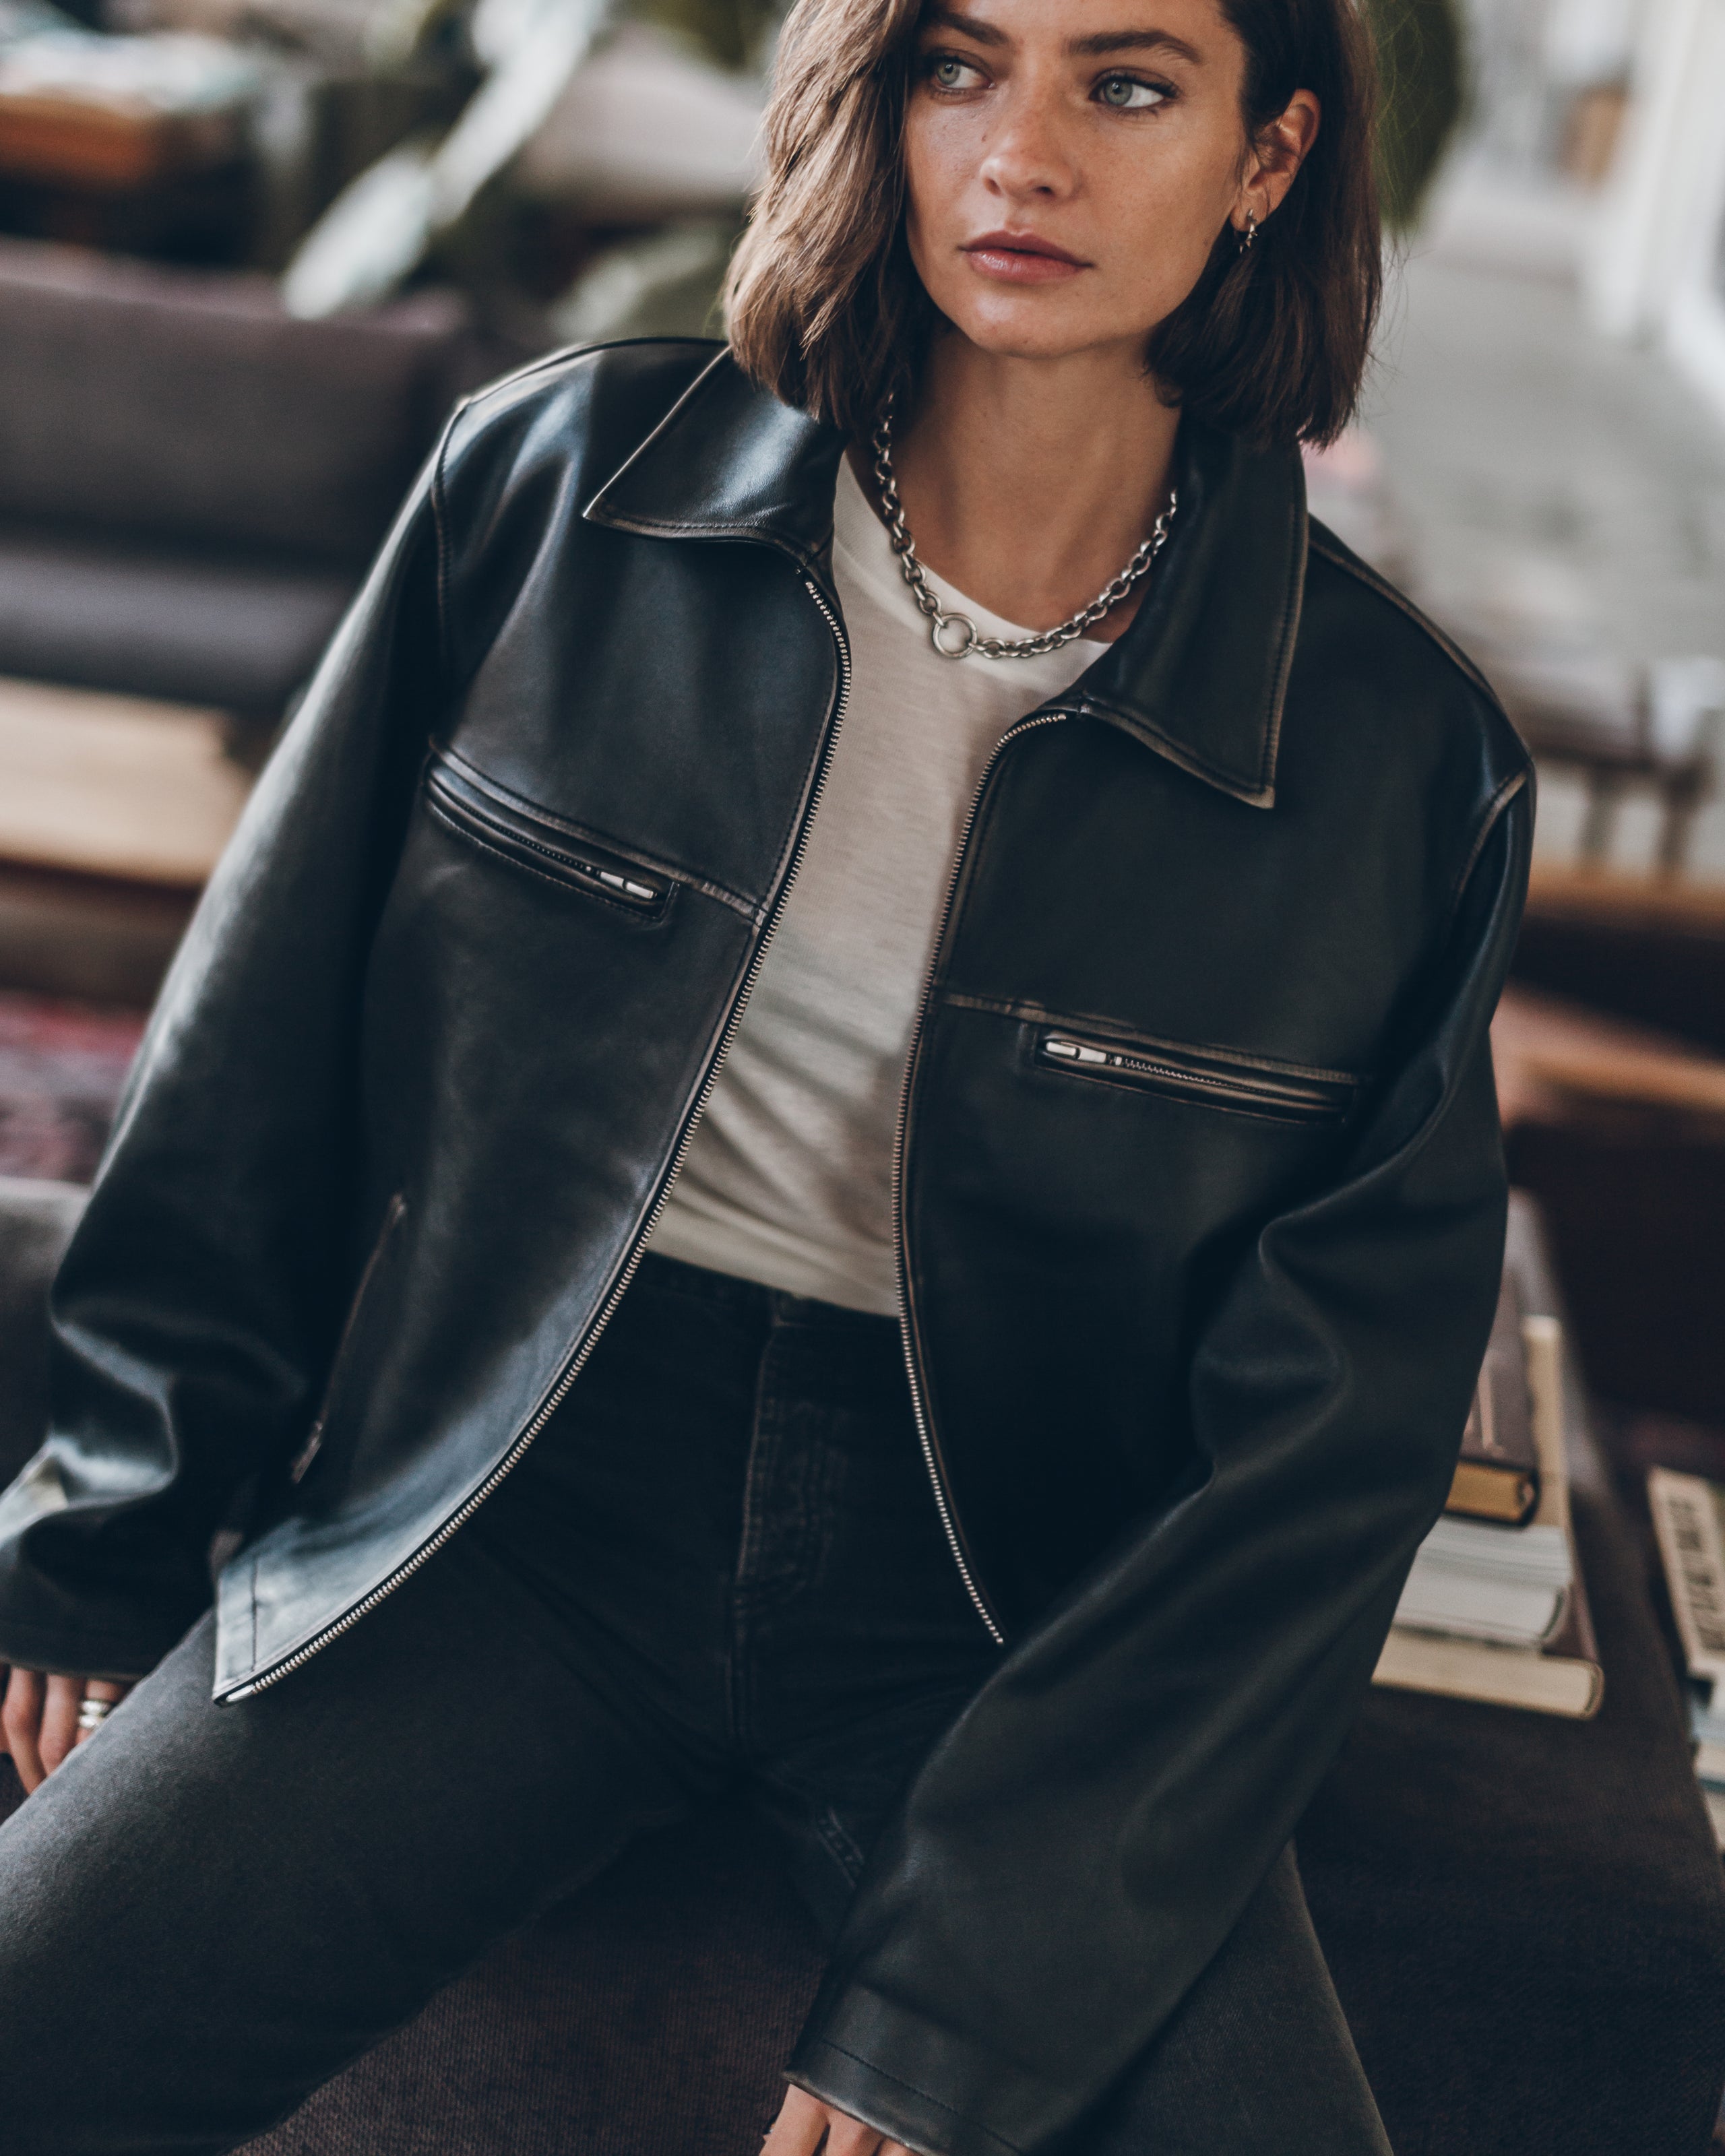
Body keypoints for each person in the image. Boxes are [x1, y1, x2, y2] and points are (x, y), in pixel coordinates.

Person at [0, 0, 1530, 2149]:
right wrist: (109, 1535)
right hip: (520, 1497)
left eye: (1127, 83)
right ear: (875, 103)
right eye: (957, 66)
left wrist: (961, 2004)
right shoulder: (562, 488)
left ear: (1268, 158)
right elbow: (254, 1053)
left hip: (1003, 1598)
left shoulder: (1404, 763)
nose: (1022, 155)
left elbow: (1318, 1470)